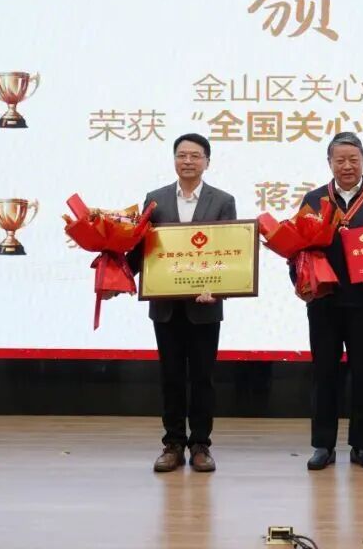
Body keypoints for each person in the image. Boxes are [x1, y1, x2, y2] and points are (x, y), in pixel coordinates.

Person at [123, 133, 237, 473]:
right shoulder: (155, 199)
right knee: (170, 376)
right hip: (166, 304)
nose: (188, 161)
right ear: (174, 160)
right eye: (182, 155)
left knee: (203, 378)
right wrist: (118, 275)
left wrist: (218, 288)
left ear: (207, 162)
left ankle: (200, 444)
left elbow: (231, 251)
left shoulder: (223, 200)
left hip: (205, 304)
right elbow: (141, 248)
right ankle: (172, 444)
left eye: (195, 156)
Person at [294, 132, 363, 471]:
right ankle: (323, 446)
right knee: (324, 372)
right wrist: (301, 280)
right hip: (323, 302)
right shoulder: (313, 199)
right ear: (329, 163)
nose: (347, 166)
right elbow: (297, 247)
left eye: (353, 159)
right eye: (340, 160)